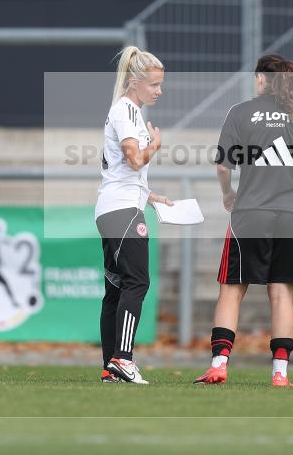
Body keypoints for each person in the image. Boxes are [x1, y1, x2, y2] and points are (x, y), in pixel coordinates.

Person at [195, 54, 293, 387]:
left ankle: (219, 365)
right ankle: (280, 373)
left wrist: (228, 193)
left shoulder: (240, 112)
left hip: (249, 214)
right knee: (281, 292)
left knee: (231, 290)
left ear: (260, 79)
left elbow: (223, 166)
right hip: (292, 217)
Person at [96, 45, 172, 384]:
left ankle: (110, 366)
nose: (159, 91)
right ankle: (123, 359)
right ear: (135, 81)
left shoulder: (129, 112)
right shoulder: (125, 112)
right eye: (154, 85)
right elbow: (134, 160)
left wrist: (151, 197)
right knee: (137, 282)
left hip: (116, 206)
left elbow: (122, 171)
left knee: (116, 288)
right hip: (122, 210)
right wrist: (154, 145)